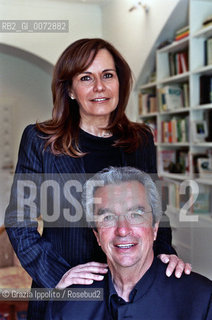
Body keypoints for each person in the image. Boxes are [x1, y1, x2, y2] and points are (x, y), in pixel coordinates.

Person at [5, 38, 191, 320]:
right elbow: (20, 219)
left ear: (119, 82)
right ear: (69, 89)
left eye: (107, 75)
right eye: (86, 78)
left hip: (133, 291)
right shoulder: (41, 140)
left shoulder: (140, 139)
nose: (99, 87)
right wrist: (57, 275)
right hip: (67, 291)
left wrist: (166, 254)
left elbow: (155, 213)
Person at [46, 167, 212, 320]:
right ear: (96, 235)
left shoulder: (202, 299)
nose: (123, 230)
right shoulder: (70, 304)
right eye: (108, 217)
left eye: (135, 215)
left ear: (155, 228)